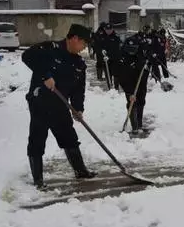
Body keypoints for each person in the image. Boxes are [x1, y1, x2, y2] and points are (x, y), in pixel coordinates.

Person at [22, 23, 97, 190]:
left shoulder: (79, 64)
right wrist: (45, 75)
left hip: (60, 105)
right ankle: (38, 179)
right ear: (75, 38)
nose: (84, 48)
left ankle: (81, 171)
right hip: (40, 102)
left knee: (69, 137)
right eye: (84, 43)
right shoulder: (50, 48)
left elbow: (78, 90)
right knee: (37, 139)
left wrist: (78, 108)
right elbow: (27, 56)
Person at [93, 22, 122, 90]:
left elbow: (117, 50)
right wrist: (101, 51)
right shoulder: (101, 36)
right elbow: (97, 46)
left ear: (112, 29)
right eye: (107, 29)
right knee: (108, 74)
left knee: (116, 75)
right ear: (105, 29)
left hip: (115, 59)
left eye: (109, 29)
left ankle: (116, 88)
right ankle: (110, 88)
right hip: (105, 60)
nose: (108, 31)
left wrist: (110, 56)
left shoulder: (116, 37)